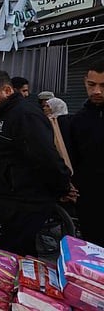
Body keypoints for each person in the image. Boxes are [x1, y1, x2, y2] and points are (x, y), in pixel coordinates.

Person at [0, 70, 75, 257]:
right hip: (8, 199)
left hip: (23, 203)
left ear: (6, 90)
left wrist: (62, 187)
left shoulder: (25, 116)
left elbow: (46, 157)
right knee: (7, 254)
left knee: (7, 256)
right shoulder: (4, 112)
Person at [70, 63, 104, 247]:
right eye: (92, 85)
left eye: (103, 86)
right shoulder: (79, 119)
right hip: (89, 204)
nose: (97, 91)